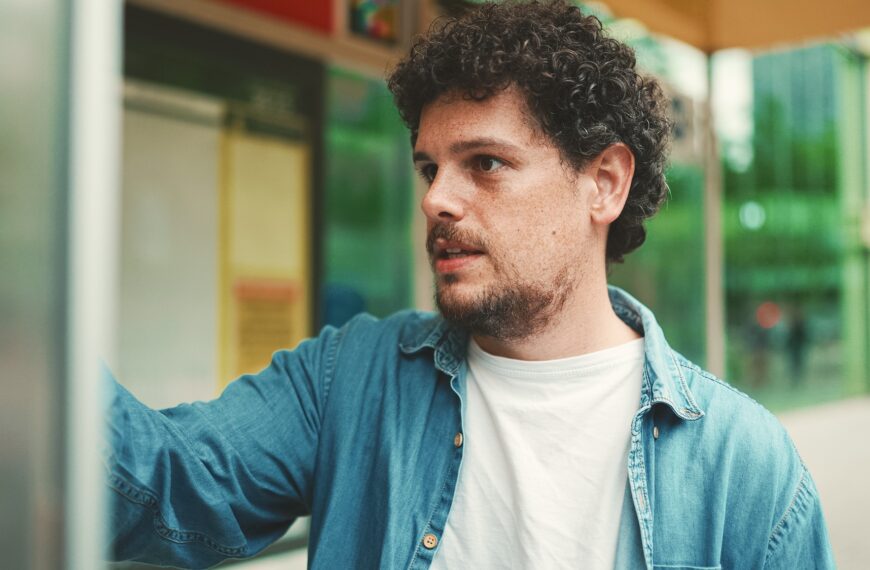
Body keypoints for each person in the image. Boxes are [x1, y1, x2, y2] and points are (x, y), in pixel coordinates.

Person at [106, 2, 834, 568]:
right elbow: (157, 485)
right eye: (429, 168)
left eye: (484, 163)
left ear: (604, 184)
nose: (436, 200)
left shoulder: (744, 468)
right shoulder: (348, 380)